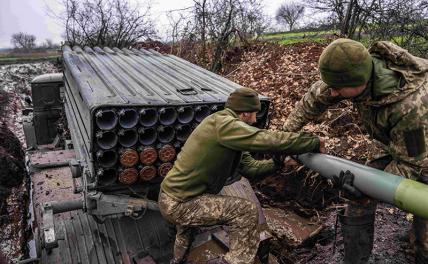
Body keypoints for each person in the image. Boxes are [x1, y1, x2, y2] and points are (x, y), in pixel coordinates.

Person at [283, 38, 428, 263]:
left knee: (423, 209)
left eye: (337, 89)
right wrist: (285, 137)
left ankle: (420, 250)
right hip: (389, 138)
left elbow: (412, 163)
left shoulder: (410, 105)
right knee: (357, 198)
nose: (332, 93)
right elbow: (313, 99)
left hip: (421, 146)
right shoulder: (348, 73)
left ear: (360, 82)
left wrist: (370, 189)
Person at [158, 87, 325, 264]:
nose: (254, 120)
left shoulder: (228, 132)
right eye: (254, 114)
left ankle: (177, 261)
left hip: (178, 197)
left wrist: (278, 163)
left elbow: (250, 168)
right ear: (244, 113)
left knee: (186, 234)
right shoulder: (225, 125)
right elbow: (265, 139)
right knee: (246, 211)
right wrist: (312, 142)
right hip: (179, 203)